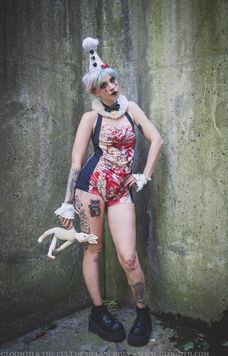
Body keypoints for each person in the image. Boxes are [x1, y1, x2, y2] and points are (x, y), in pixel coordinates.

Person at [55, 37, 163, 346]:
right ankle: (98, 313)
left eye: (113, 80)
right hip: (90, 190)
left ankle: (143, 313)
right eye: (105, 84)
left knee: (128, 257)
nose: (113, 87)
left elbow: (156, 140)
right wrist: (66, 205)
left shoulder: (132, 110)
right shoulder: (90, 118)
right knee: (94, 250)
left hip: (120, 192)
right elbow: (77, 163)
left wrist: (143, 176)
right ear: (95, 91)